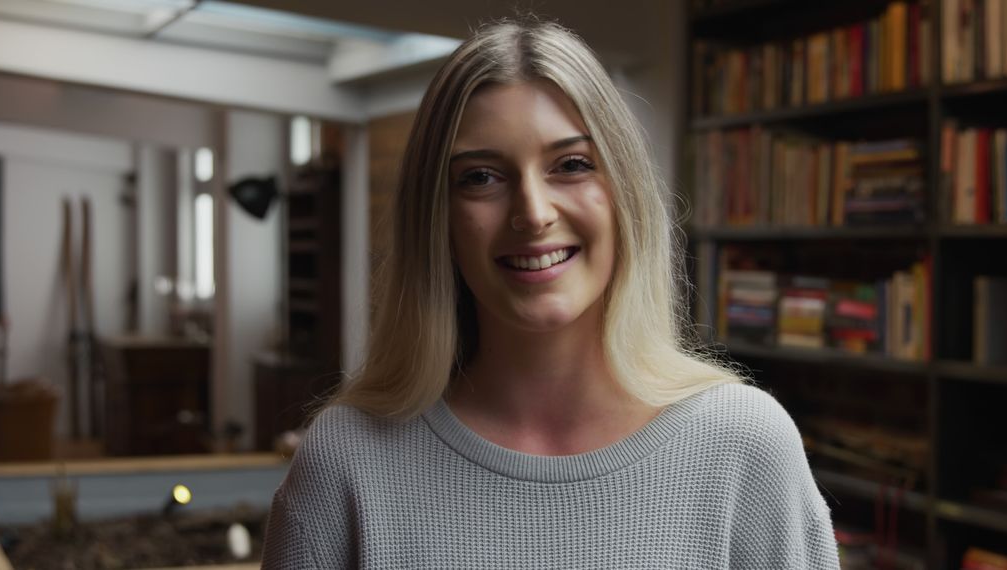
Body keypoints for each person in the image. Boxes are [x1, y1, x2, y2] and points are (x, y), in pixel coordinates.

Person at [261, 19, 839, 569]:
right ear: (436, 218)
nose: (533, 214)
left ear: (625, 195)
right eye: (481, 176)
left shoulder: (744, 446)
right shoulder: (345, 462)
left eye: (571, 164)